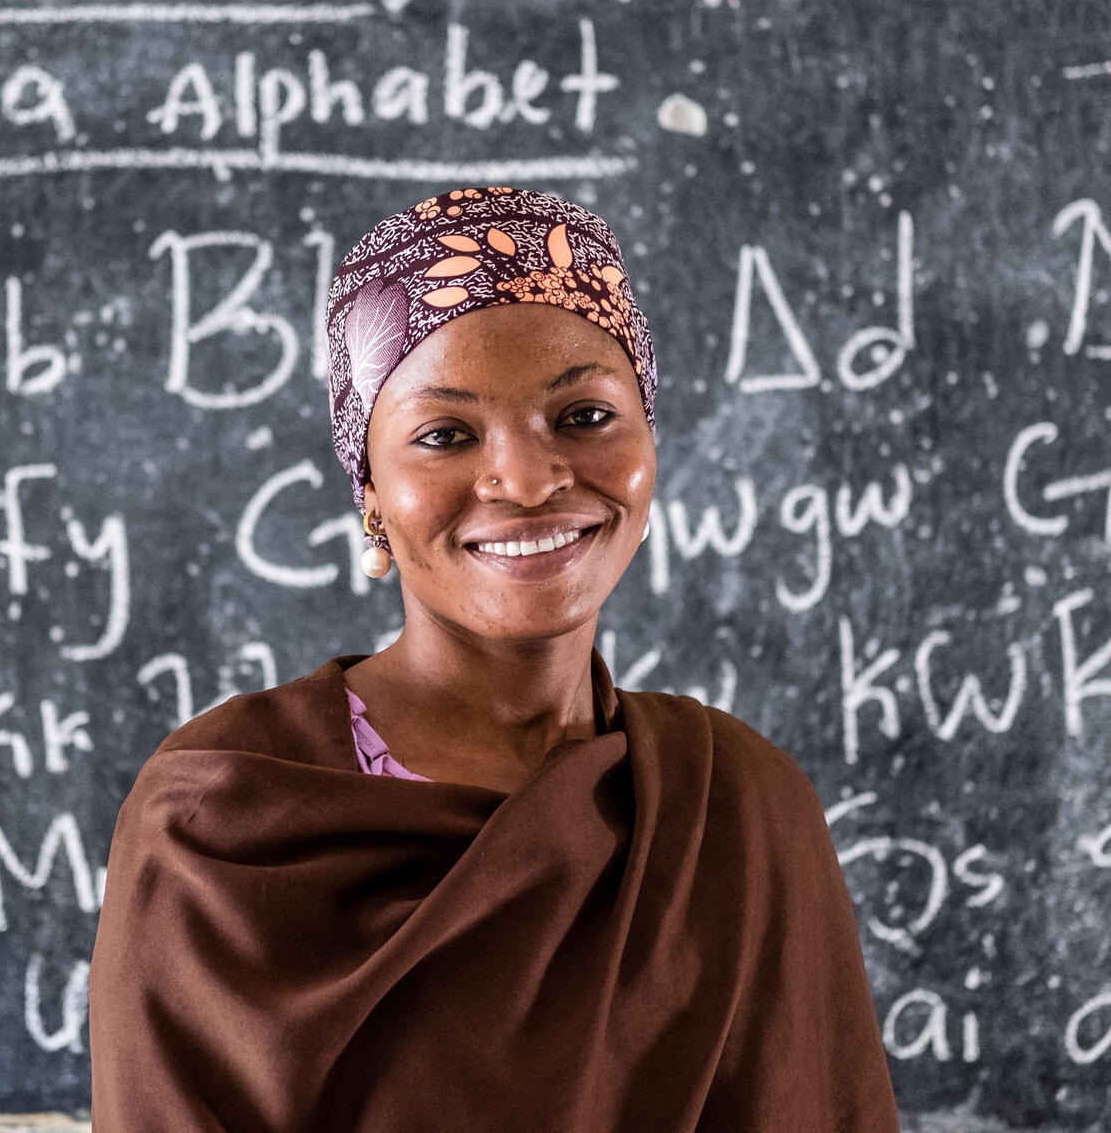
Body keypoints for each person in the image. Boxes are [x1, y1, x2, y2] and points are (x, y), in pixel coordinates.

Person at [88, 187, 901, 1132]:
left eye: (584, 416)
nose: (527, 478)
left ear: (649, 439)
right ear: (373, 493)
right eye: (445, 435)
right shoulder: (220, 818)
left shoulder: (738, 807)